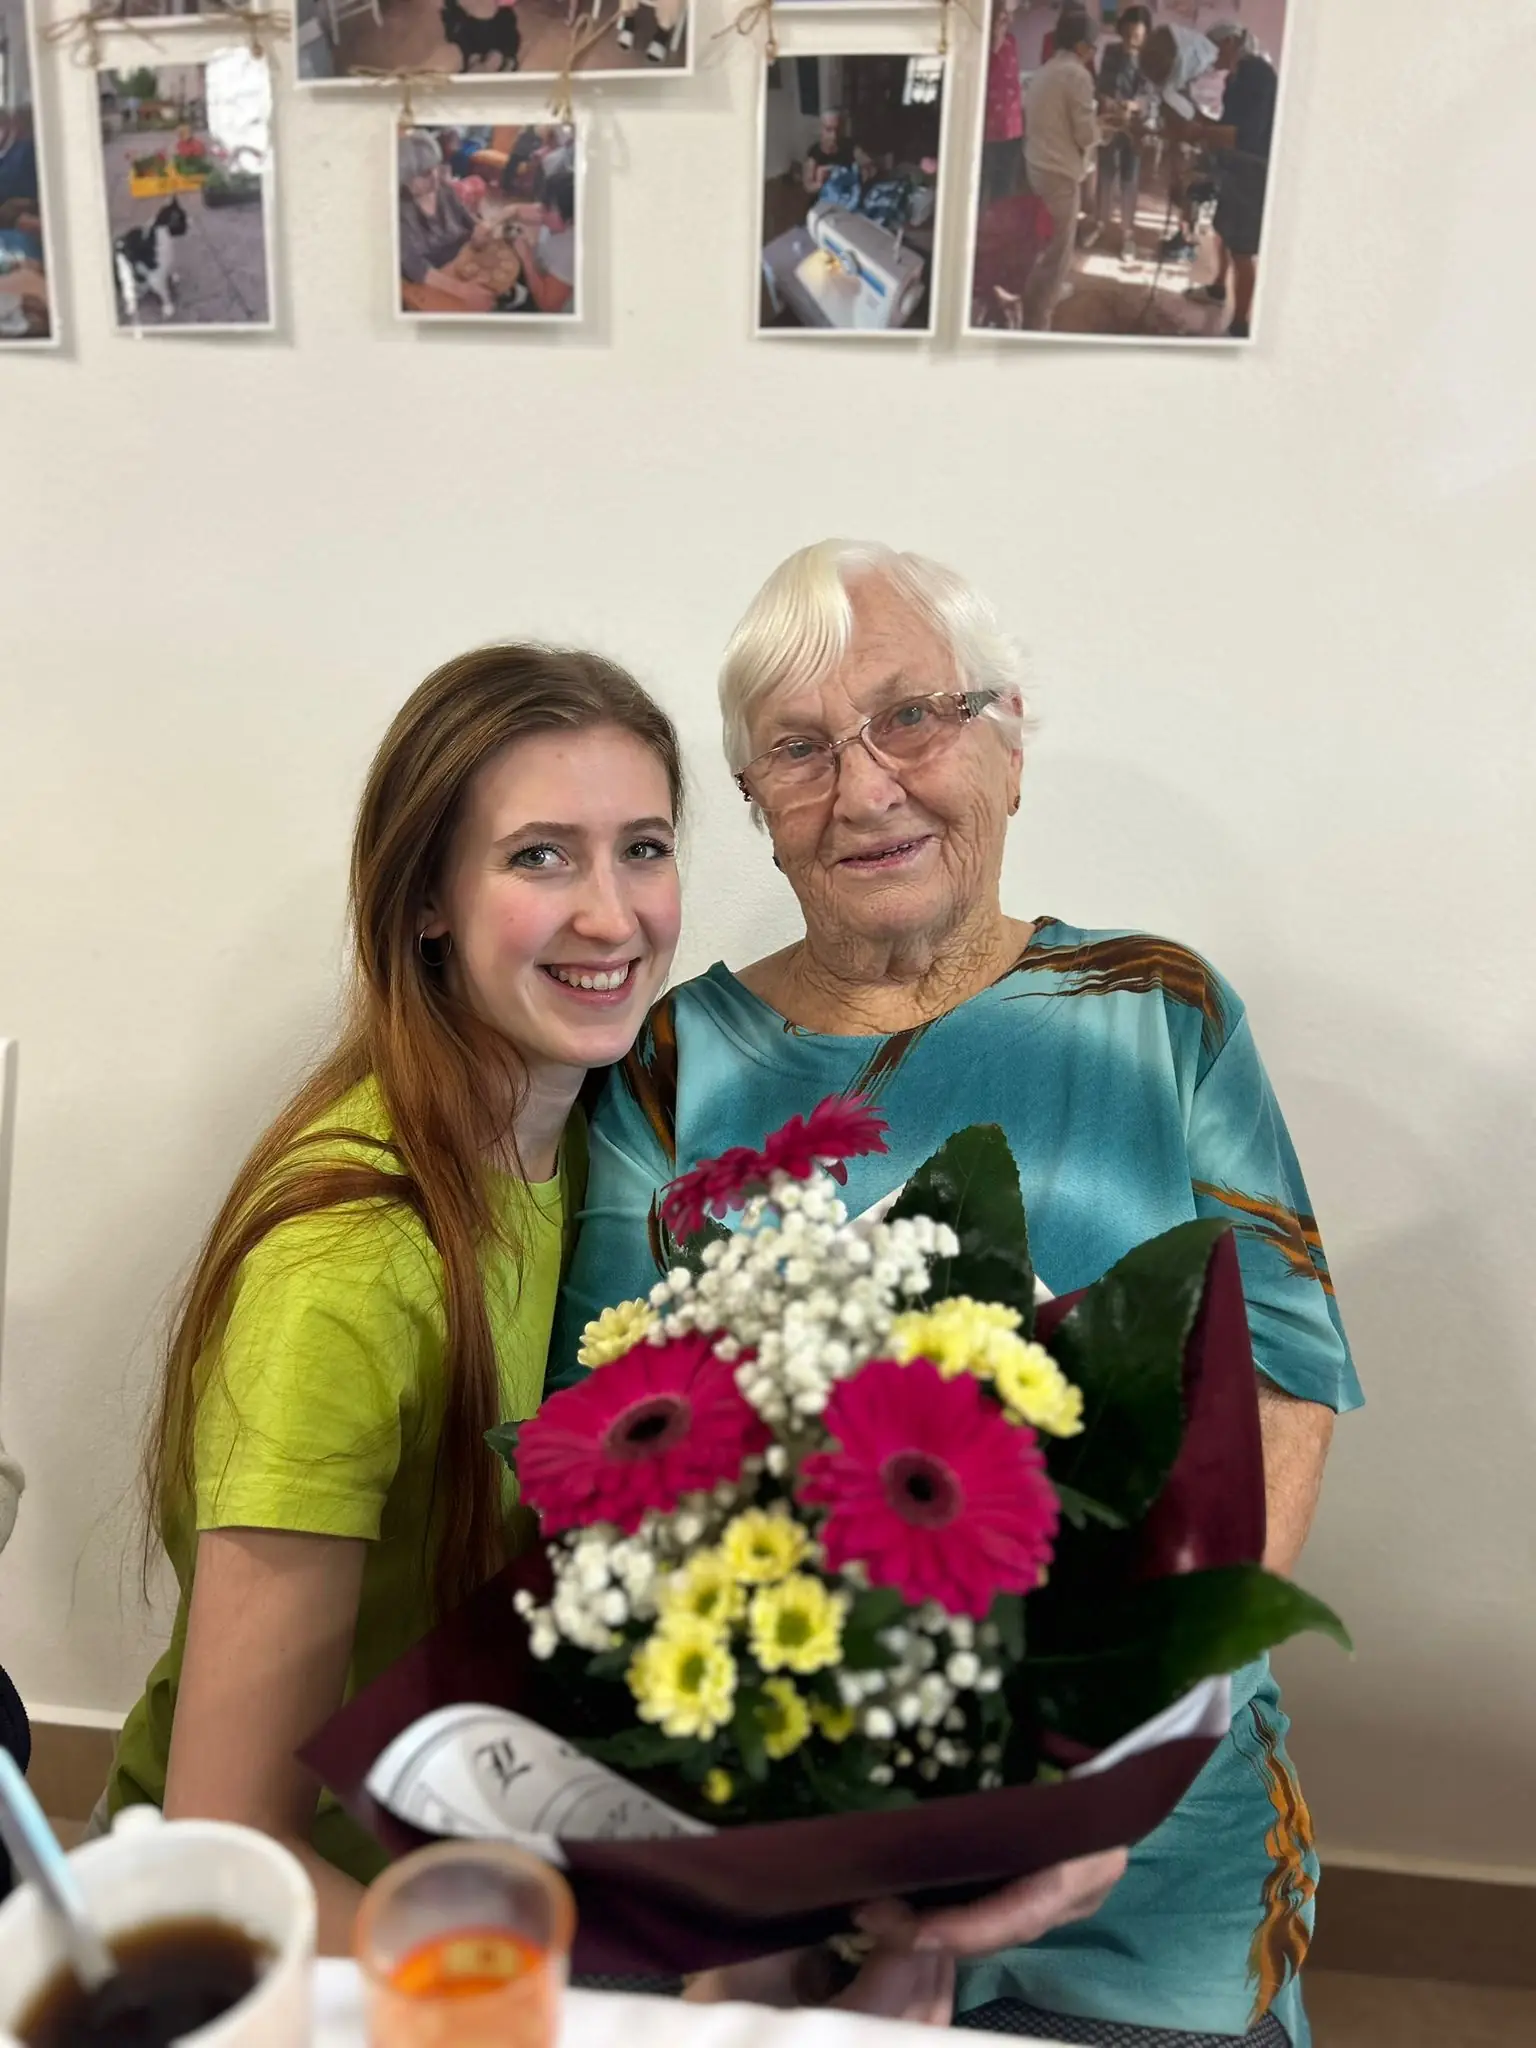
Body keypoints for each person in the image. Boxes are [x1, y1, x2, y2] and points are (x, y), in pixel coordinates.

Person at [558, 539, 1360, 2044]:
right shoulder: (671, 1064)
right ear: (756, 811)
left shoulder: (1157, 1010)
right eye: (800, 750)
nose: (865, 788)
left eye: (913, 717)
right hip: (780, 1802)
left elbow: (1284, 1384)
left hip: (1140, 1790)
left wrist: (1100, 1747)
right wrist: (822, 1798)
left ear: (1010, 745)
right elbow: (604, 1441)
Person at [106, 647, 685, 1954]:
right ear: (425, 899)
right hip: (300, 1935)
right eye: (541, 856)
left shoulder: (619, 1140)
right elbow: (230, 1845)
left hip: (510, 1858)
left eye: (643, 848)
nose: (612, 915)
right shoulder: (347, 1268)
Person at [1188, 21, 1280, 339]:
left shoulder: (1259, 75)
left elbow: (1245, 135)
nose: (1212, 59)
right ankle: (1217, 288)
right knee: (1223, 231)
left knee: (1242, 249)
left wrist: (1199, 131)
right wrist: (1195, 119)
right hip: (1236, 168)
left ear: (1229, 42)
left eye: (1214, 50)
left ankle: (1240, 325)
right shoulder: (1236, 78)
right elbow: (1225, 126)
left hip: (1254, 170)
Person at [1018, 7, 1099, 330]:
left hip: (1037, 165)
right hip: (1059, 173)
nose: (1093, 53)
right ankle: (1039, 315)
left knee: (1044, 242)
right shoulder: (1078, 75)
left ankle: (1043, 294)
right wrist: (1103, 129)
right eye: (1092, 47)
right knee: (1059, 251)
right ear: (1081, 46)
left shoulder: (1046, 70)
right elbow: (1085, 134)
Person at [396, 128, 495, 313]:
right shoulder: (399, 211)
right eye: (425, 173)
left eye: (435, 166)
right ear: (406, 178)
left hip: (464, 264)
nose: (435, 176)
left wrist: (480, 230)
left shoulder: (445, 190)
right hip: (435, 281)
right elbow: (416, 268)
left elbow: (469, 221)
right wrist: (463, 291)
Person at [1087, 3, 1152, 263]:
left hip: (1134, 128)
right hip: (1110, 122)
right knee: (1105, 174)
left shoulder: (1150, 59)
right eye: (1128, 34)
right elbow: (1102, 84)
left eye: (1137, 37)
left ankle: (1127, 234)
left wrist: (1133, 105)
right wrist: (1108, 101)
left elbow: (1149, 95)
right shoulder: (1112, 51)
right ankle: (1100, 222)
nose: (1131, 41)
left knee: (1129, 178)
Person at [509, 167, 576, 314]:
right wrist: (490, 224)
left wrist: (526, 256)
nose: (541, 210)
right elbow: (514, 210)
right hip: (540, 275)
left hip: (549, 312)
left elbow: (547, 307)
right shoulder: (555, 218)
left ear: (571, 220)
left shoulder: (570, 250)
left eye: (548, 208)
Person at [979, 0, 1024, 208]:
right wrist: (994, 40)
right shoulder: (980, 44)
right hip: (986, 128)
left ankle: (999, 222)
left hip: (1011, 127)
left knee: (1004, 186)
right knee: (981, 182)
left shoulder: (1011, 42)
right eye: (1003, 16)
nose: (1008, 20)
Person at [803, 109, 855, 198]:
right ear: (821, 130)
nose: (834, 136)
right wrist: (820, 182)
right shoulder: (814, 153)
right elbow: (808, 186)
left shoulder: (849, 147)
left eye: (837, 130)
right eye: (829, 130)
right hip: (825, 200)